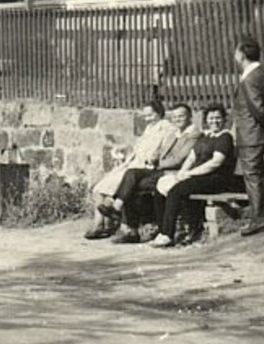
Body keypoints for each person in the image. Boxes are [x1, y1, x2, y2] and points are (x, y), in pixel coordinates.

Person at [102, 103, 198, 244]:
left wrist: (158, 163)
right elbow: (162, 151)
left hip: (175, 173)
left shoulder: (193, 135)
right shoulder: (175, 133)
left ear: (190, 116)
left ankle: (127, 222)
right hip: (161, 169)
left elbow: (180, 159)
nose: (178, 119)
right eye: (175, 116)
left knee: (132, 182)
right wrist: (154, 157)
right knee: (131, 175)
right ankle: (125, 219)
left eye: (181, 116)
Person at [83, 100, 179, 240]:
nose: (147, 119)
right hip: (133, 163)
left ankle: (104, 225)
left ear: (159, 113)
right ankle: (100, 224)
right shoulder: (149, 128)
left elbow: (164, 151)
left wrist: (154, 158)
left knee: (112, 187)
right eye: (145, 116)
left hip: (144, 166)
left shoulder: (167, 129)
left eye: (151, 115)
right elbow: (137, 149)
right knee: (99, 188)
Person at [148, 105, 236, 248]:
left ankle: (168, 235)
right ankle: (162, 229)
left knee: (176, 190)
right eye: (211, 118)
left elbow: (215, 163)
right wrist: (182, 173)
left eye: (218, 118)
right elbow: (191, 158)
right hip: (200, 176)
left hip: (216, 179)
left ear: (224, 119)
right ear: (206, 121)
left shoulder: (225, 138)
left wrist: (189, 174)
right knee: (160, 187)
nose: (215, 121)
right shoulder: (206, 137)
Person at [234, 38, 264, 236]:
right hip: (259, 134)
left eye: (236, 52)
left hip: (251, 135)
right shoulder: (263, 73)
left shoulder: (249, 78)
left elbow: (258, 109)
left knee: (251, 175)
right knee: (259, 168)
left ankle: (259, 219)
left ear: (241, 55)